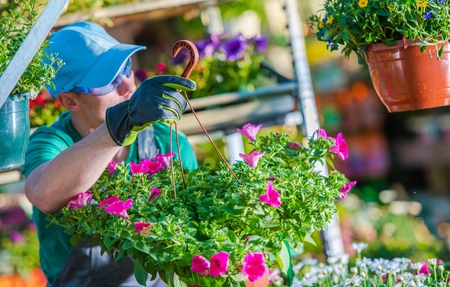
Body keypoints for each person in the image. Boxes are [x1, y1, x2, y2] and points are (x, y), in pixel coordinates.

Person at [21, 21, 198, 287]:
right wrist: (119, 126)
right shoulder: (51, 142)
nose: (128, 86)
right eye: (109, 81)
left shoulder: (166, 142)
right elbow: (43, 194)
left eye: (126, 68)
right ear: (70, 101)